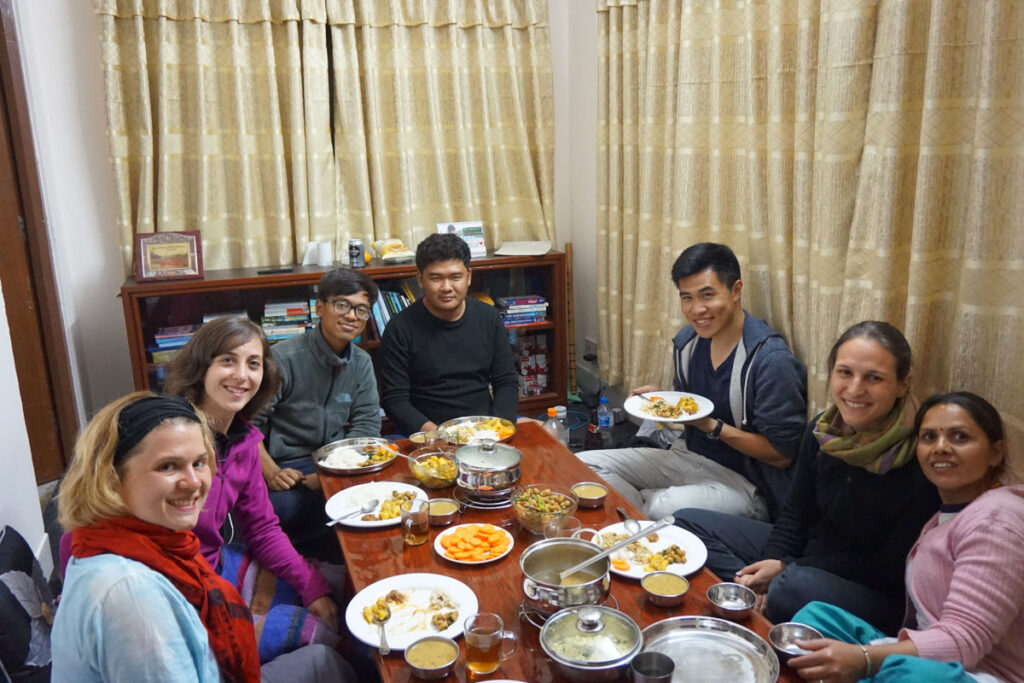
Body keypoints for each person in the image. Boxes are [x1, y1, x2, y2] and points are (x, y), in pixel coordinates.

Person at [52, 392, 354, 682]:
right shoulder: (131, 597)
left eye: (199, 463)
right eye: (167, 466)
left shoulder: (141, 541)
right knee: (328, 657)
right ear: (111, 477)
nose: (194, 482)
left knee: (330, 635)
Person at [675, 321, 941, 632]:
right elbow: (795, 514)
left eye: (874, 378)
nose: (855, 389)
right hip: (805, 559)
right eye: (844, 373)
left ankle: (762, 600)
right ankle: (754, 596)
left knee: (791, 587)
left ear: (903, 384)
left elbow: (886, 567)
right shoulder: (824, 432)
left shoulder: (917, 455)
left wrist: (787, 567)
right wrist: (774, 560)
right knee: (685, 524)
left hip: (870, 591)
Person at [788, 392, 1023, 683]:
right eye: (928, 438)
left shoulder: (996, 518)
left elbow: (965, 641)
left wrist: (863, 659)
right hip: (934, 656)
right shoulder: (945, 515)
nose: (941, 448)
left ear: (995, 452)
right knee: (815, 619)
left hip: (980, 674)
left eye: (960, 437)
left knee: (910, 675)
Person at [578, 243, 807, 520]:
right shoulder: (688, 343)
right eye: (687, 298)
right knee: (584, 466)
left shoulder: (770, 360)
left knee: (663, 507)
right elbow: (692, 407)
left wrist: (712, 426)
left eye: (707, 295)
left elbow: (782, 455)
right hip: (687, 457)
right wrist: (662, 402)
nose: (697, 309)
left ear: (736, 290)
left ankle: (647, 511)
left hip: (747, 484)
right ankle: (646, 515)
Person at [163, 316, 341, 661]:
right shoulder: (170, 438)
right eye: (227, 360)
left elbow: (261, 528)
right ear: (201, 366)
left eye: (253, 364)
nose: (241, 375)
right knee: (324, 637)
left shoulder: (243, 441)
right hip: (181, 592)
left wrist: (312, 587)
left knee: (337, 582)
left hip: (214, 566)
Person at [250, 267, 381, 543]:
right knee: (280, 508)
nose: (351, 316)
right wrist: (272, 472)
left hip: (337, 460)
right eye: (342, 305)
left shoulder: (361, 362)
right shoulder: (283, 358)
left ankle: (333, 543)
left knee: (396, 463)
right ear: (320, 307)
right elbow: (248, 427)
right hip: (288, 467)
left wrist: (331, 471)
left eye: (361, 310)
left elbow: (367, 425)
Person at [378, 233, 519, 434]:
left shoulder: (489, 318)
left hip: (483, 426)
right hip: (428, 432)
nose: (446, 288)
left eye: (455, 277)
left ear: (468, 277)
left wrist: (498, 428)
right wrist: (438, 435)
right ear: (420, 279)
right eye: (436, 278)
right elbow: (395, 400)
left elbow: (506, 381)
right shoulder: (399, 328)